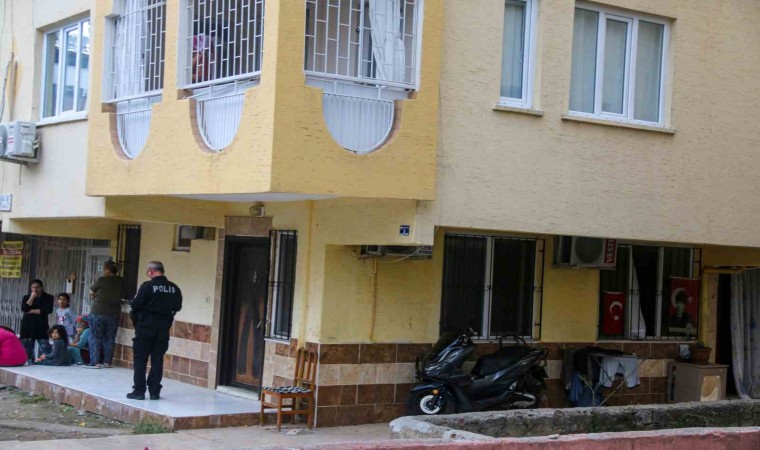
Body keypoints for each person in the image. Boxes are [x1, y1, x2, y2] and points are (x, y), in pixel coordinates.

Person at [128, 261, 182, 400]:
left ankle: (139, 391)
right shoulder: (174, 287)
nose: (147, 274)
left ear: (152, 271)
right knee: (157, 360)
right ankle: (154, 391)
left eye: (147, 271)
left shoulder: (147, 286)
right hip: (163, 329)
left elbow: (135, 305)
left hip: (145, 327)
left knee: (140, 359)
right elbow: (177, 307)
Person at [86, 260, 124, 369]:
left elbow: (91, 291)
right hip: (114, 312)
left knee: (95, 336)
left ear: (107, 270)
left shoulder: (102, 280)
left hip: (97, 311)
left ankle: (95, 362)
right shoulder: (121, 281)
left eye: (104, 269)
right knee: (110, 337)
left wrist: (94, 296)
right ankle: (107, 362)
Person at [20, 279, 54, 365]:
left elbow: (48, 310)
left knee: (45, 347)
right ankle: (29, 362)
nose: (35, 289)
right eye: (33, 287)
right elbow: (24, 309)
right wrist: (32, 297)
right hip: (28, 326)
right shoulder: (26, 297)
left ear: (41, 287)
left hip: (41, 325)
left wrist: (32, 311)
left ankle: (45, 362)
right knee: (27, 348)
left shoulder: (48, 297)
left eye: (37, 287)